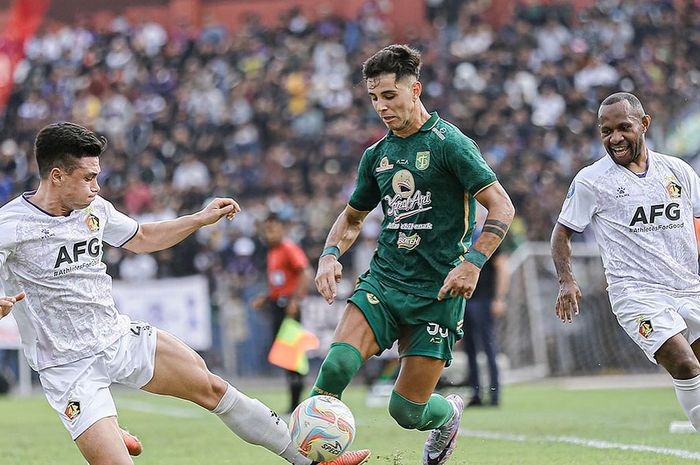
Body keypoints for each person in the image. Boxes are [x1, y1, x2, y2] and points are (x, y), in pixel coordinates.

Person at [0, 122, 370, 465]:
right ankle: (107, 430)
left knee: (213, 388)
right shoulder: (12, 225)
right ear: (56, 175)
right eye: (89, 178)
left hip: (117, 337)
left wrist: (198, 218)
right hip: (67, 365)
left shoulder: (94, 208)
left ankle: (311, 460)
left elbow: (142, 238)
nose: (97, 186)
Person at [311, 45, 515, 465]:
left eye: (389, 96)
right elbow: (351, 219)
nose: (381, 107)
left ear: (415, 89)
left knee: (406, 411)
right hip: (384, 282)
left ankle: (449, 414)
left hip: (437, 294)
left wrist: (472, 262)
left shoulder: (449, 144)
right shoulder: (376, 156)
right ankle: (313, 454)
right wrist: (330, 254)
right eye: (373, 98)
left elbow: (502, 207)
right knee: (333, 369)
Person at [551, 92, 700, 432]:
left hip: (689, 287)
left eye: (623, 128)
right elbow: (561, 234)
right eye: (606, 131)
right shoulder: (592, 180)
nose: (614, 138)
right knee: (685, 365)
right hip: (637, 295)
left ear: (644, 124)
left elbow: (698, 219)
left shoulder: (677, 170)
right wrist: (566, 280)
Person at [253, 213, 312, 413]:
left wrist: (295, 300)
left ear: (282, 229)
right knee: (285, 354)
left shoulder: (288, 248)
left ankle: (297, 402)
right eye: (267, 229)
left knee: (292, 353)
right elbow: (279, 282)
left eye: (274, 229)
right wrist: (265, 296)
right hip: (278, 305)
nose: (270, 233)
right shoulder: (272, 252)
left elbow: (305, 272)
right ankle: (294, 402)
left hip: (288, 307)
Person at [461, 227, 508, 407]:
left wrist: (499, 298)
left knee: (488, 347)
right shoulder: (464, 237)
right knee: (470, 348)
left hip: (485, 299)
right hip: (466, 299)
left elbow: (502, 267)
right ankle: (476, 393)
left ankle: (494, 394)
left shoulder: (489, 236)